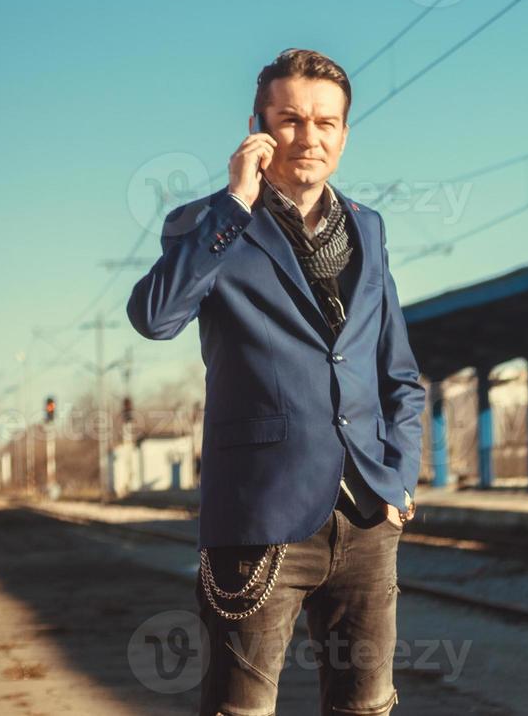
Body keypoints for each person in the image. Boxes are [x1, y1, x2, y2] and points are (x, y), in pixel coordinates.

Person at [128, 48, 425, 716]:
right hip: (260, 520)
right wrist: (237, 200)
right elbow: (154, 317)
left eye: (325, 122)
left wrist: (401, 480)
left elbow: (398, 372)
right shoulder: (209, 225)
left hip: (367, 520)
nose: (309, 136)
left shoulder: (368, 231)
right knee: (240, 710)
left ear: (345, 134)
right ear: (258, 127)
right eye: (290, 119)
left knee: (367, 706)